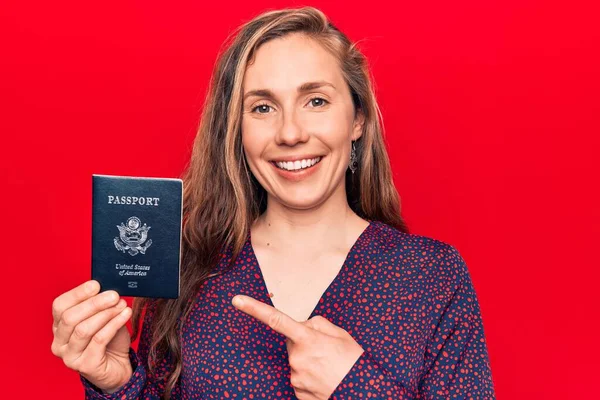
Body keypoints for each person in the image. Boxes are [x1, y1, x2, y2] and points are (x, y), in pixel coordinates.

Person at [51, 6, 495, 399]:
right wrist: (116, 383)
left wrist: (356, 387)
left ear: (357, 119)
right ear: (237, 132)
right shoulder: (189, 271)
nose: (289, 133)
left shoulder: (433, 276)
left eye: (315, 100)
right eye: (262, 108)